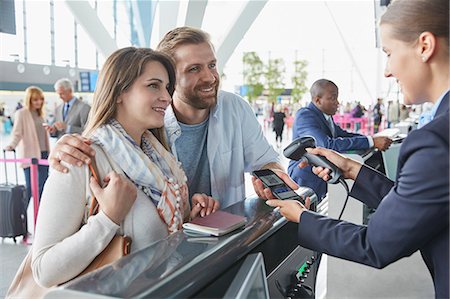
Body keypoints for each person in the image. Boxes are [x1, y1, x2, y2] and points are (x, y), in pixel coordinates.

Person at [265, 0, 449, 297]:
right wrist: (352, 169)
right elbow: (418, 206)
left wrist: (302, 217)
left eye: (389, 53)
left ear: (425, 46)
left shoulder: (435, 141)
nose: (388, 71)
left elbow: (375, 245)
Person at [32, 47, 219, 287]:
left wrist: (189, 218)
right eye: (154, 85)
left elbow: (158, 236)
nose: (166, 96)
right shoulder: (80, 157)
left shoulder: (159, 159)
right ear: (119, 91)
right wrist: (107, 219)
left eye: (166, 87)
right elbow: (43, 271)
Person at [46, 27, 287, 209]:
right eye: (194, 69)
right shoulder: (148, 121)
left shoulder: (234, 108)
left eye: (212, 65)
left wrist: (272, 180)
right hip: (165, 252)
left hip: (224, 244)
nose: (210, 77)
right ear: (169, 77)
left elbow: (266, 160)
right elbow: (104, 140)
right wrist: (65, 148)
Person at [288, 79, 393, 200]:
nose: (337, 103)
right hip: (305, 178)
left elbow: (343, 134)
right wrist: (371, 142)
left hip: (321, 175)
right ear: (318, 100)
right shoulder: (305, 115)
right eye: (332, 98)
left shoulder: (325, 116)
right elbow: (325, 145)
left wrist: (371, 139)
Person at [4, 86, 50, 207]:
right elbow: (17, 133)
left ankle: (40, 212)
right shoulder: (22, 113)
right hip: (30, 154)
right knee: (30, 187)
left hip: (44, 153)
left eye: (41, 99)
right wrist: (11, 145)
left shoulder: (40, 114)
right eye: (35, 100)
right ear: (29, 100)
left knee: (43, 185)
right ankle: (22, 214)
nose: (39, 102)